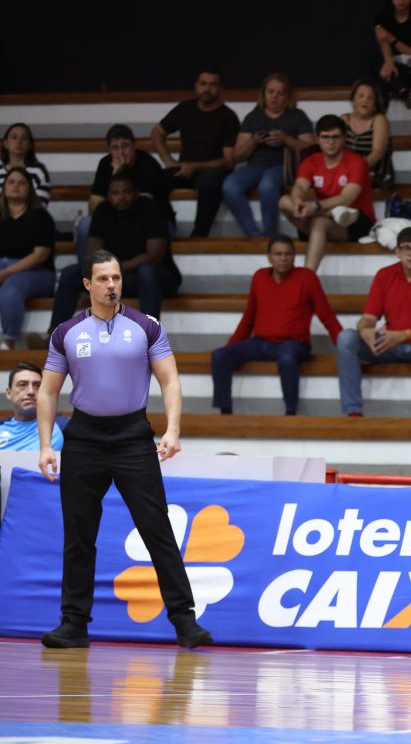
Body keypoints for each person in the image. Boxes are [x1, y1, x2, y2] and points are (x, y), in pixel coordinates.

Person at [37, 249, 212, 650]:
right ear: (87, 284)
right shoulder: (66, 331)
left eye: (116, 278)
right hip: (83, 437)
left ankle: (185, 621)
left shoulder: (145, 326)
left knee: (156, 528)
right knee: (79, 534)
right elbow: (48, 391)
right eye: (103, 279)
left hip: (133, 435)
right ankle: (73, 624)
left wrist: (172, 430)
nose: (112, 285)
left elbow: (170, 381)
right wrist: (46, 444)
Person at [211, 236, 342, 417]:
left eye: (288, 254)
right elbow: (248, 318)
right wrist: (231, 347)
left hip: (295, 344)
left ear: (294, 256)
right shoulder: (259, 277)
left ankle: (290, 413)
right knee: (220, 355)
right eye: (278, 254)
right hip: (260, 342)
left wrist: (343, 347)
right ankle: (225, 412)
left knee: (287, 358)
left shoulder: (307, 278)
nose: (283, 258)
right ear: (269, 257)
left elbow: (326, 315)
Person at [336, 226, 411, 418]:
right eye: (406, 247)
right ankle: (352, 411)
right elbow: (368, 318)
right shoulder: (384, 275)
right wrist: (365, 331)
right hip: (389, 343)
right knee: (346, 338)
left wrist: (403, 335)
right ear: (397, 252)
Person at [46, 173, 181, 334]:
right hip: (118, 278)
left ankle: (150, 336)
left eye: (126, 192)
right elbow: (92, 254)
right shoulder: (103, 210)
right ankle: (54, 336)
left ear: (136, 193)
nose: (121, 197)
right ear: (108, 195)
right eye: (115, 193)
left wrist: (113, 270)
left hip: (157, 279)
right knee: (71, 273)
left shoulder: (151, 209)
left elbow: (154, 256)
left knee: (147, 270)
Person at [222, 73, 314, 238]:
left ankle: (270, 236)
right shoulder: (253, 117)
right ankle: (255, 235)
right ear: (264, 94)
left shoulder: (297, 116)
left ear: (287, 97)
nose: (274, 97)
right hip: (254, 166)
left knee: (267, 185)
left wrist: (286, 139)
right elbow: (238, 156)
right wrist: (254, 141)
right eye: (271, 92)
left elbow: (311, 149)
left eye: (280, 93)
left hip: (283, 166)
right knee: (229, 186)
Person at [279, 115, 375, 273]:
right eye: (325, 137)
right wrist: (297, 201)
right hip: (323, 215)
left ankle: (307, 278)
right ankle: (316, 221)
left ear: (345, 138)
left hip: (355, 220)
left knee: (319, 222)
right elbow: (300, 186)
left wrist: (316, 207)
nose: (331, 142)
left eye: (336, 137)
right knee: (284, 200)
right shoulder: (310, 161)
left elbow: (346, 198)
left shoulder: (357, 163)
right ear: (317, 139)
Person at [151, 67, 238, 238]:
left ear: (220, 88)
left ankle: (199, 235)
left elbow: (229, 161)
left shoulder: (228, 117)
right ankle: (167, 227)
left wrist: (194, 166)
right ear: (196, 85)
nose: (207, 89)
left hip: (212, 172)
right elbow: (157, 133)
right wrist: (168, 161)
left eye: (213, 85)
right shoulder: (185, 108)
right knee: (155, 179)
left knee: (209, 182)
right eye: (203, 84)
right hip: (183, 169)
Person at [86, 124, 170, 255]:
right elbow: (94, 208)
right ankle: (88, 266)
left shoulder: (148, 164)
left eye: (125, 146)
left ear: (134, 146)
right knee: (85, 225)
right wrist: (115, 176)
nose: (121, 152)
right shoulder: (105, 164)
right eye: (115, 148)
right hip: (118, 220)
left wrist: (119, 175)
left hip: (153, 224)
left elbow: (140, 208)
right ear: (109, 150)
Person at [0, 168, 56, 350]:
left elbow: (40, 255)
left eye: (22, 183)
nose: (16, 185)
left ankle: (8, 343)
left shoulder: (41, 217)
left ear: (30, 189)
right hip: (3, 267)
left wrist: (6, 273)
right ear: (4, 187)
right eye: (11, 182)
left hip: (38, 273)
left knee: (11, 288)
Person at [342, 79, 394, 189]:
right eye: (361, 96)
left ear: (375, 104)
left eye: (370, 98)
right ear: (353, 100)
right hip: (348, 170)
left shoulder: (380, 119)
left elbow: (377, 152)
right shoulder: (344, 119)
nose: (365, 100)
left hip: (375, 172)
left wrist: (356, 169)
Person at [0, 362, 62, 451]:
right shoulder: (2, 427)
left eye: (37, 386)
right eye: (22, 385)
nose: (31, 392)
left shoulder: (61, 426)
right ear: (9, 393)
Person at [0, 123, 52, 206]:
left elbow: (39, 207)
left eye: (24, 138)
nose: (18, 141)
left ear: (30, 145)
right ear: (5, 144)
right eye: (14, 137)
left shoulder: (39, 172)